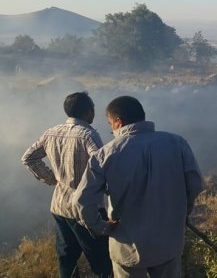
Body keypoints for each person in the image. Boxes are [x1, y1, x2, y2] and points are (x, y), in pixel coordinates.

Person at [74, 96, 204, 278]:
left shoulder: (105, 154)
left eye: (110, 124)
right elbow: (195, 185)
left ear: (118, 122)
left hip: (127, 246)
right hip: (169, 243)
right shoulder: (177, 143)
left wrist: (102, 227)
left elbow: (82, 201)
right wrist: (182, 213)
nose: (112, 129)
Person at [21, 92, 112, 278]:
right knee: (102, 261)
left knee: (67, 258)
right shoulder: (88, 135)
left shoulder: (51, 132)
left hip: (60, 206)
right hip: (85, 208)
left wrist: (52, 179)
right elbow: (102, 166)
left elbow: (29, 158)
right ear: (88, 112)